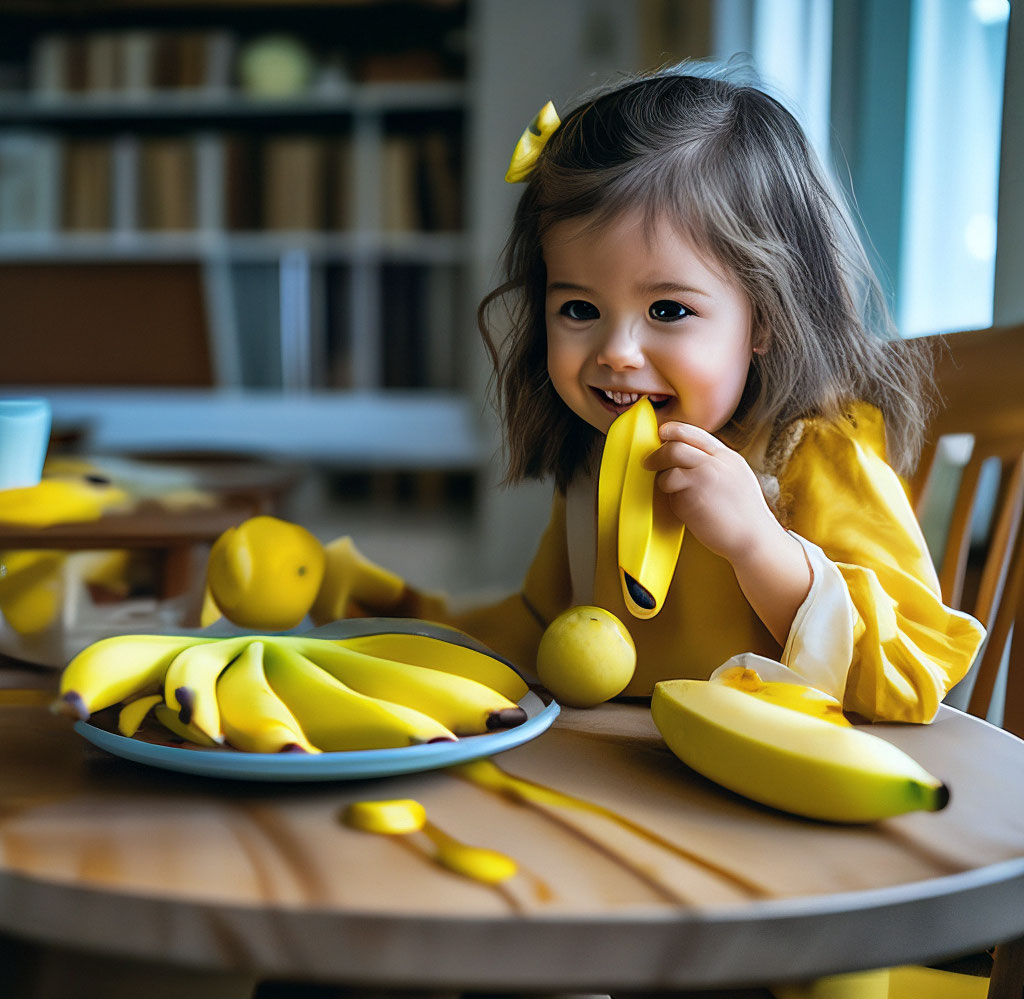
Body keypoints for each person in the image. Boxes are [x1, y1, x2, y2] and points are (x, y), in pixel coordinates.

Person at [205, 64, 983, 727]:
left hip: (762, 802)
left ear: (767, 318)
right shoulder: (598, 458)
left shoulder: (814, 451)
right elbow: (545, 626)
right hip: (618, 776)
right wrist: (390, 608)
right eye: (579, 309)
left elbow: (914, 677)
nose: (616, 352)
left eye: (668, 311)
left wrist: (758, 545)